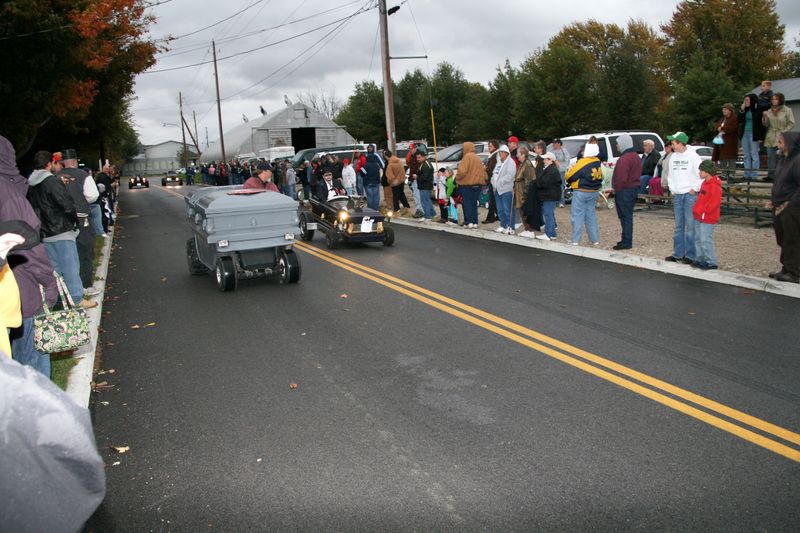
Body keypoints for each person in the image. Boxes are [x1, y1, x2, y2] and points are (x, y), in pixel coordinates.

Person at [0, 137, 59, 375]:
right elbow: (29, 246)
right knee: (32, 360)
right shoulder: (8, 194)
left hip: (13, 286)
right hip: (22, 286)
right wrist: (48, 280)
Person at [27, 151, 96, 308]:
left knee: (54, 269)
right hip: (61, 230)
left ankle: (56, 299)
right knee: (70, 266)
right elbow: (66, 205)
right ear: (49, 164)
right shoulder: (51, 181)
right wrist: (74, 223)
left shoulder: (31, 184)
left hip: (44, 232)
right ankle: (77, 298)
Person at [58, 149, 97, 293]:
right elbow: (92, 196)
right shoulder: (83, 175)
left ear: (63, 163)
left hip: (62, 220)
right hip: (81, 218)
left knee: (67, 254)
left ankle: (69, 286)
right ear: (75, 161)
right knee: (85, 251)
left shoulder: (55, 177)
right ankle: (86, 285)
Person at [664, 131, 704, 264]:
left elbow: (701, 175)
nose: (672, 145)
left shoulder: (693, 156)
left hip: (689, 195)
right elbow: (670, 175)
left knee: (691, 226)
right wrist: (672, 189)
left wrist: (694, 189)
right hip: (678, 194)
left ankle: (691, 255)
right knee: (679, 226)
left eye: (674, 143)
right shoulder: (673, 157)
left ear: (681, 143)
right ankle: (678, 254)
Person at [768, 132, 800, 283]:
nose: (778, 144)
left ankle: (794, 272)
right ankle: (786, 268)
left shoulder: (797, 160)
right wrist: (773, 200)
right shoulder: (782, 160)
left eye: (781, 141)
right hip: (778, 205)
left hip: (792, 208)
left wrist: (788, 203)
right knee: (782, 238)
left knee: (792, 239)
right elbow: (779, 182)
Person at [566, 143, 603, 246]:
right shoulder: (597, 161)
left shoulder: (583, 162)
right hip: (594, 191)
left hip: (582, 191)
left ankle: (575, 240)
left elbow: (570, 176)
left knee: (577, 216)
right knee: (590, 215)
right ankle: (594, 239)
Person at [611, 133, 642, 250]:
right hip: (632, 189)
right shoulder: (635, 156)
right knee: (627, 216)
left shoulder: (625, 158)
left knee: (625, 216)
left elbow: (621, 177)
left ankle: (626, 241)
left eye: (618, 144)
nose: (617, 146)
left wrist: (616, 188)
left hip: (624, 190)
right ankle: (626, 239)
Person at [692, 160, 722, 270]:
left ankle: (711, 261)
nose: (699, 173)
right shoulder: (705, 183)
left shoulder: (714, 186)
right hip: (700, 215)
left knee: (705, 239)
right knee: (698, 238)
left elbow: (714, 202)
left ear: (707, 172)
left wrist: (704, 212)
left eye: (701, 171)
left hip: (707, 217)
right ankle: (700, 258)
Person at [763, 92, 795, 181]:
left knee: (781, 157)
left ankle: (782, 175)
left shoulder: (787, 110)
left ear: (780, 100)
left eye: (776, 99)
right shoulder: (769, 110)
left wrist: (783, 132)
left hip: (782, 136)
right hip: (771, 136)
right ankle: (771, 175)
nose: (774, 101)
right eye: (773, 99)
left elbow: (791, 123)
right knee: (770, 157)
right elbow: (766, 124)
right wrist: (765, 117)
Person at [456, 142, 487, 228]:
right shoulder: (477, 157)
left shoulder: (467, 157)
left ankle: (468, 221)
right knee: (474, 203)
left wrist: (457, 178)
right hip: (478, 184)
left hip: (467, 184)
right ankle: (475, 222)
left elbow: (462, 171)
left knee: (467, 203)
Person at [738, 93, 767, 179]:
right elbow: (739, 120)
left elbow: (762, 125)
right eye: (744, 100)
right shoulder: (745, 110)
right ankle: (747, 174)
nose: (745, 102)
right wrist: (742, 110)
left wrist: (761, 137)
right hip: (745, 134)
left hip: (754, 134)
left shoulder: (758, 109)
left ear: (752, 100)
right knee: (746, 155)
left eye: (747, 100)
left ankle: (754, 175)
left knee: (754, 154)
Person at [536, 152, 562, 240]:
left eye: (546, 159)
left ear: (551, 160)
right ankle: (552, 234)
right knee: (549, 214)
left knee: (548, 214)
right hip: (551, 195)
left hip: (549, 195)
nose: (544, 161)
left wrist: (537, 183)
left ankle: (548, 234)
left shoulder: (551, 170)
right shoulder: (551, 169)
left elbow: (544, 183)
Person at [491, 145, 516, 234]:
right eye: (499, 152)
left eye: (502, 152)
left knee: (507, 210)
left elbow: (510, 176)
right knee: (500, 210)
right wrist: (493, 182)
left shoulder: (511, 163)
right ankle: (503, 225)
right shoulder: (498, 163)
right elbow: (494, 174)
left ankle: (511, 227)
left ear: (506, 153)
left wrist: (500, 182)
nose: (500, 154)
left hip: (506, 190)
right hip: (497, 190)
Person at [712, 103, 740, 179]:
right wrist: (718, 128)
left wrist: (722, 129)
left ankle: (731, 174)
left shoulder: (734, 118)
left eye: (725, 109)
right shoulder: (722, 119)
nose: (723, 111)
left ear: (730, 110)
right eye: (723, 109)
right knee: (723, 158)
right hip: (722, 142)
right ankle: (723, 173)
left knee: (731, 159)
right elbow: (717, 125)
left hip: (731, 142)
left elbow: (732, 128)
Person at [514, 146, 537, 237]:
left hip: (524, 192)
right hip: (520, 191)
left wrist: (526, 195)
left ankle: (530, 230)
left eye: (518, 154)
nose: (517, 156)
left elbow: (530, 180)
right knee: (521, 211)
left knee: (525, 211)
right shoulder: (522, 164)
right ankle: (526, 229)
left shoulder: (527, 164)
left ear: (523, 155)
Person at [547, 138, 570, 207]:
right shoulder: (551, 150)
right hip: (552, 171)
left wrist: (561, 166)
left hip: (561, 171)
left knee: (560, 186)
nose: (553, 144)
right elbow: (548, 158)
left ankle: (561, 202)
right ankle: (554, 201)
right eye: (553, 143)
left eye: (555, 143)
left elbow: (567, 160)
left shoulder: (564, 151)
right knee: (552, 186)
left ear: (559, 144)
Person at [415, 150, 436, 221]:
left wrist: (416, 177)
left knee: (424, 201)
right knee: (427, 200)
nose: (418, 159)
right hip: (425, 185)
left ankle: (427, 216)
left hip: (425, 186)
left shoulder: (426, 165)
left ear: (424, 157)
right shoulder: (424, 163)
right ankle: (432, 214)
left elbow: (425, 177)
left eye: (419, 157)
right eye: (417, 158)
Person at [482, 140, 500, 223]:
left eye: (490, 146)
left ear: (495, 147)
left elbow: (491, 168)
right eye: (488, 146)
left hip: (493, 179)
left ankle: (490, 218)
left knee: (492, 199)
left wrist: (486, 168)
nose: (489, 148)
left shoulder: (494, 155)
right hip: (493, 179)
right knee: (494, 199)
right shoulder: (493, 155)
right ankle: (498, 215)